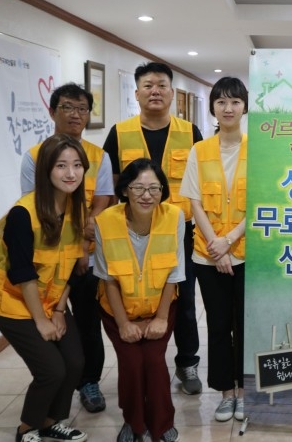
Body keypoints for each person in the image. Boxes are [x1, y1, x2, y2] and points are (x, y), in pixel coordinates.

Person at [103, 62, 204, 394]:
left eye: (162, 85)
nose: (155, 91)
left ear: (172, 93)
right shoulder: (119, 133)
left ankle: (187, 364)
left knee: (184, 300)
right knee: (131, 291)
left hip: (181, 230)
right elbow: (112, 185)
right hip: (133, 231)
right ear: (137, 93)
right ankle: (138, 359)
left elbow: (201, 183)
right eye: (148, 86)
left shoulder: (191, 133)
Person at [0, 134, 90, 442]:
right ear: (46, 170)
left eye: (77, 165)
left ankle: (52, 421)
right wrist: (41, 321)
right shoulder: (23, 214)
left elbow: (70, 265)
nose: (71, 173)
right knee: (51, 370)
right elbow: (23, 274)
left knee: (74, 363)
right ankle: (27, 429)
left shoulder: (75, 208)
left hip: (50, 300)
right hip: (12, 302)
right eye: (61, 166)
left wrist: (58, 311)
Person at [20, 82, 114, 413]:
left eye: (82, 109)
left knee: (89, 322)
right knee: (49, 318)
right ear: (52, 111)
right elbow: (35, 209)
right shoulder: (34, 157)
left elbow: (102, 201)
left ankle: (89, 382)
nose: (75, 115)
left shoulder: (99, 156)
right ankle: (55, 379)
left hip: (86, 258)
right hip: (48, 261)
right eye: (67, 107)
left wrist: (85, 246)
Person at [94, 158, 185, 442]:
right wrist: (123, 323)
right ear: (124, 191)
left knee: (154, 360)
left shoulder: (174, 216)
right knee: (132, 362)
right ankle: (133, 423)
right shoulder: (105, 221)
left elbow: (175, 271)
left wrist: (159, 317)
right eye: (138, 188)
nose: (147, 196)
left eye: (154, 189)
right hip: (118, 308)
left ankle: (161, 424)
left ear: (163, 191)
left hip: (161, 305)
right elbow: (108, 279)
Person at [180, 77, 248, 422]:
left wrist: (230, 241)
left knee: (246, 323)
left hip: (248, 252)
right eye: (221, 102)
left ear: (244, 107)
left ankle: (245, 391)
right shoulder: (200, 150)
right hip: (208, 256)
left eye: (235, 101)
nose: (228, 108)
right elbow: (193, 201)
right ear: (213, 109)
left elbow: (262, 202)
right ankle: (226, 392)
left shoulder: (258, 150)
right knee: (219, 325)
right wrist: (217, 248)